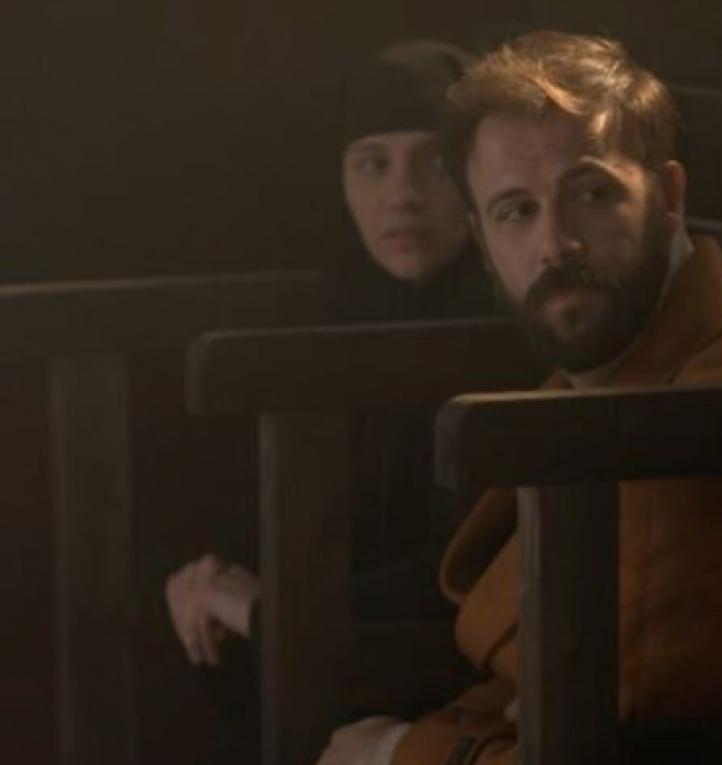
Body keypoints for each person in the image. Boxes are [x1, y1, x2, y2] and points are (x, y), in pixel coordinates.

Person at [319, 31, 722, 765]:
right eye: (515, 211)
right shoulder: (616, 371)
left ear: (667, 198)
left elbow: (598, 740)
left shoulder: (714, 420)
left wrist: (394, 753)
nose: (555, 244)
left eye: (591, 194)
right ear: (481, 238)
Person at [163, 39, 495, 763]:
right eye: (373, 164)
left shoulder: (509, 330)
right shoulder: (337, 311)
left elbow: (468, 568)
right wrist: (213, 574)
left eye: (435, 162)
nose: (402, 196)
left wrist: (270, 608)